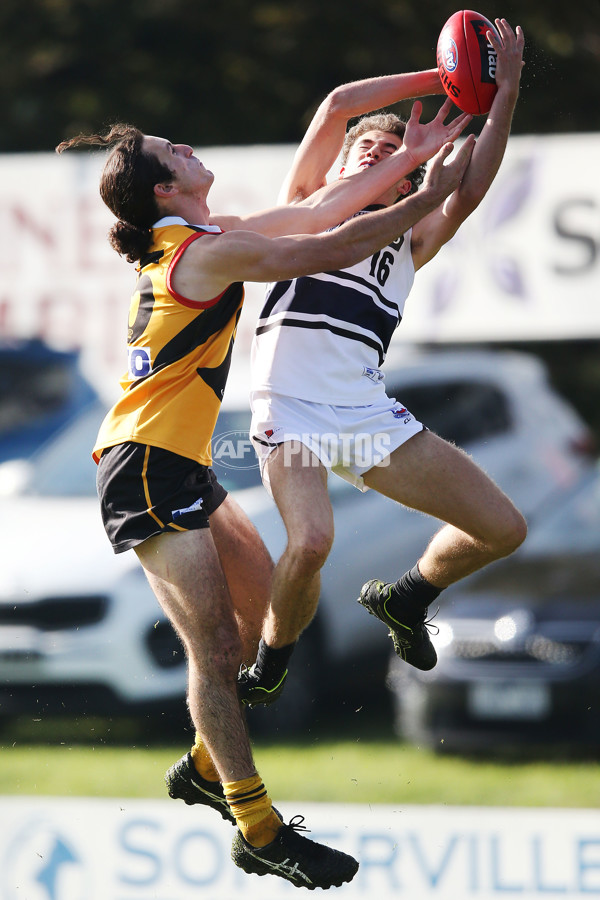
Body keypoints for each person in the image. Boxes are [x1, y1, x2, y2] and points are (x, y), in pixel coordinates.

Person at [55, 106, 472, 888]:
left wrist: (419, 138)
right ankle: (259, 828)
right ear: (168, 187)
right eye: (170, 149)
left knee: (250, 637)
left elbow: (326, 201)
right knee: (213, 654)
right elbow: (336, 240)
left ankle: (209, 767)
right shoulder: (203, 253)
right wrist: (426, 188)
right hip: (143, 462)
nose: (186, 142)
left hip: (181, 463)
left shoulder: (208, 238)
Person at [239, 19, 527, 709]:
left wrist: (503, 88)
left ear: (407, 182)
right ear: (339, 165)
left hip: (367, 417)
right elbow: (340, 104)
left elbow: (471, 187)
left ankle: (408, 597)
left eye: (393, 151)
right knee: (310, 542)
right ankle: (274, 658)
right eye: (370, 145)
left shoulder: (407, 238)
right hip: (291, 409)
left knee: (503, 529)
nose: (377, 151)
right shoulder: (309, 206)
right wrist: (448, 79)